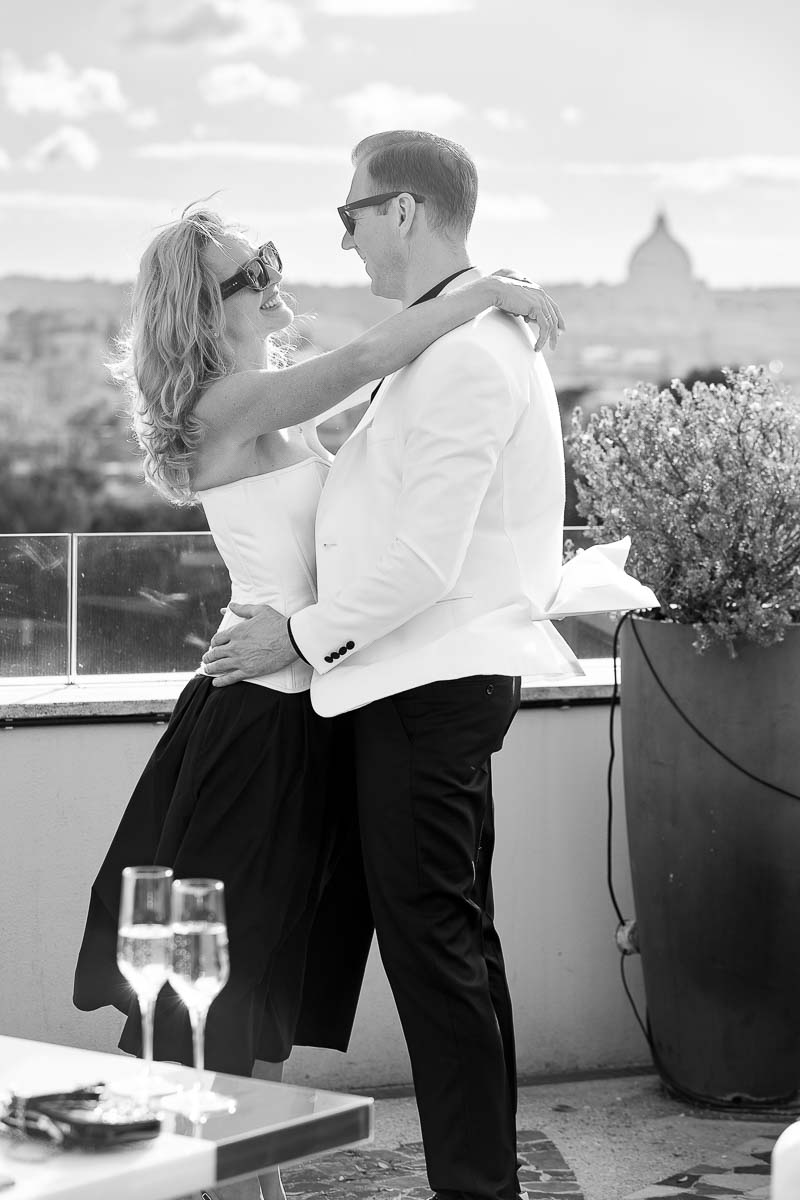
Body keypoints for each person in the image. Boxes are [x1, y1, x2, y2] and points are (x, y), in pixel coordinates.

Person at [72, 204, 566, 1200]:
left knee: (256, 995)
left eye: (266, 260)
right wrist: (481, 293)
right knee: (210, 1006)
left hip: (303, 715)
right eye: (244, 272)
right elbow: (368, 359)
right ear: (198, 312)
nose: (267, 276)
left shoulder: (266, 411)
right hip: (257, 724)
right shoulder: (226, 403)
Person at [201, 131, 655, 1200]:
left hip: (420, 687)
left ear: (402, 213)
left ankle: (473, 1188)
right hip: (423, 683)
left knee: (437, 957)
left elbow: (417, 558)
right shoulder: (463, 336)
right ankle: (477, 1179)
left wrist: (298, 638)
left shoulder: (460, 349)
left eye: (350, 215)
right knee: (454, 948)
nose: (343, 239)